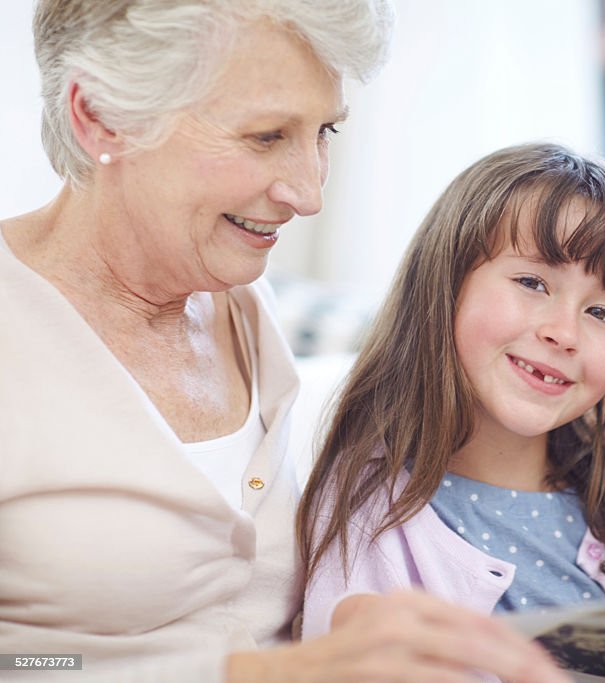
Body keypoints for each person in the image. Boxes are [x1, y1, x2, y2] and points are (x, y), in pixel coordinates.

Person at [0, 2, 570, 682]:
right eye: (266, 136)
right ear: (99, 115)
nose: (308, 192)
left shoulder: (241, 299)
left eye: (324, 130)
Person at [298, 143, 605, 638]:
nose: (565, 333)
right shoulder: (368, 514)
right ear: (445, 281)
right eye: (533, 282)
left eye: (601, 313)